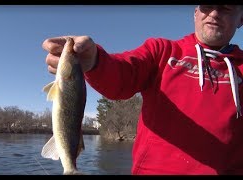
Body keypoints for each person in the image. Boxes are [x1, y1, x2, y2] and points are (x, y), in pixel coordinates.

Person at [42, 5, 243, 175]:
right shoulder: (162, 51)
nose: (215, 14)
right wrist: (94, 60)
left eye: (226, 8)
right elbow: (120, 76)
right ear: (196, 13)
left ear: (241, 18)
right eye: (208, 6)